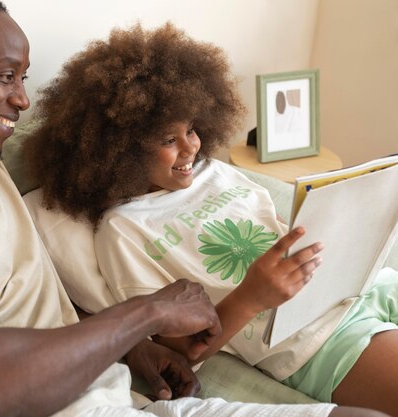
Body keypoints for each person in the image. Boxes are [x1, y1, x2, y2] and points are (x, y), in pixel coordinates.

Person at [0, 1, 386, 417]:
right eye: (7, 75)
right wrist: (144, 311)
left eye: (23, 77)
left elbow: (14, 314)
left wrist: (132, 352)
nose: (21, 97)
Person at [22, 22, 398, 417]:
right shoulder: (122, 231)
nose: (190, 147)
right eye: (169, 140)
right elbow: (179, 349)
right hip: (319, 340)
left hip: (368, 285)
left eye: (191, 129)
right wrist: (251, 297)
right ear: (119, 150)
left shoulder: (215, 172)